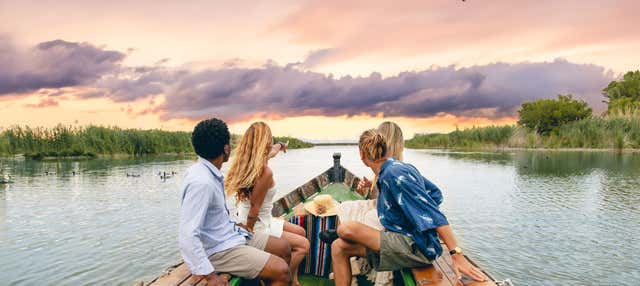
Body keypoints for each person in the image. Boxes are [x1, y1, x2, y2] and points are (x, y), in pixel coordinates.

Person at [330, 129, 487, 286]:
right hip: (402, 238)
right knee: (338, 247)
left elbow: (434, 214)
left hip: (419, 247)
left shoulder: (395, 174)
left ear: (362, 155)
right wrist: (409, 218)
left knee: (346, 229)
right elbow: (435, 194)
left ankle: (339, 236)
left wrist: (456, 255)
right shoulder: (392, 169)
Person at [179, 118, 292, 286]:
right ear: (226, 148)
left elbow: (212, 216)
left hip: (229, 235)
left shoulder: (207, 172)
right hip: (218, 250)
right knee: (282, 270)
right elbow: (187, 235)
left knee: (284, 248)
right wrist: (210, 276)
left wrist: (232, 225)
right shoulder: (201, 182)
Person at [225, 122, 310, 286]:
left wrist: (281, 145)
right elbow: (254, 210)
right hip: (256, 224)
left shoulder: (251, 162)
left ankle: (294, 279)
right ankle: (290, 280)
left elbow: (273, 151)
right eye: (270, 139)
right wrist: (248, 233)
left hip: (263, 218)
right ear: (264, 142)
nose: (272, 142)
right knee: (303, 245)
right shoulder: (264, 171)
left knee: (301, 231)